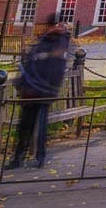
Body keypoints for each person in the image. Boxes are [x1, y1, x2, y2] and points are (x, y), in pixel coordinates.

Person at [8, 21, 73, 168]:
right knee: (24, 126)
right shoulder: (43, 41)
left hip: (44, 93)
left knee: (40, 127)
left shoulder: (61, 44)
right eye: (54, 24)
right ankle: (18, 157)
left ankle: (40, 157)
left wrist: (49, 88)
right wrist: (22, 83)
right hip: (30, 91)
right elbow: (30, 63)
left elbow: (56, 69)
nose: (56, 27)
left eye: (59, 25)